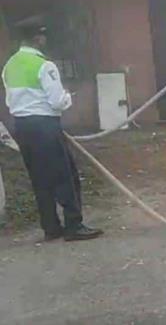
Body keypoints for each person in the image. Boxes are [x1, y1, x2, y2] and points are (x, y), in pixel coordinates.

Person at [1, 23, 103, 242]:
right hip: (45, 126)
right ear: (38, 39)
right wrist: (68, 97)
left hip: (22, 126)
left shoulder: (9, 65)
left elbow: (10, 100)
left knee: (40, 178)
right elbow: (57, 102)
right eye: (43, 37)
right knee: (65, 176)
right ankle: (74, 225)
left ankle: (50, 227)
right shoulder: (44, 65)